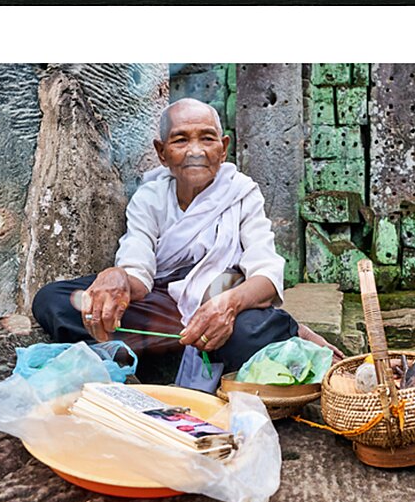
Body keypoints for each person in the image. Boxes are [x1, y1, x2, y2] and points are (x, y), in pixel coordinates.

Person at [32, 98, 342, 391]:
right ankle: (193, 339)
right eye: (181, 140)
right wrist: (115, 276)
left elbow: (266, 272)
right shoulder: (149, 198)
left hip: (221, 301)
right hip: (162, 306)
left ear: (223, 148)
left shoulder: (242, 193)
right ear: (161, 151)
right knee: (54, 300)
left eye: (207, 138)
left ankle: (167, 343)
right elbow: (138, 275)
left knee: (246, 332)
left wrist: (227, 306)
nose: (195, 150)